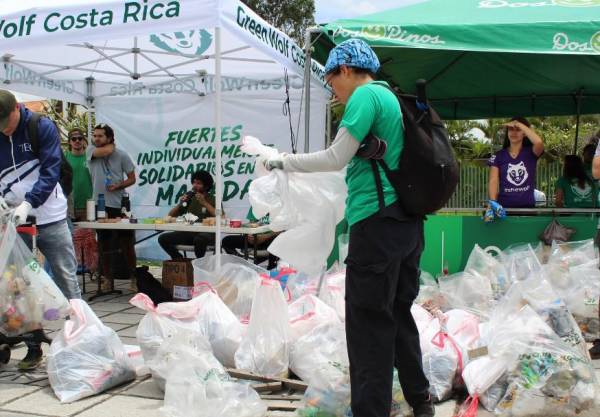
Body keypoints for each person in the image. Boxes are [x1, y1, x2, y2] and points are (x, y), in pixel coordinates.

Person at [263, 39, 434, 417]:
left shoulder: (363, 97)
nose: (334, 92)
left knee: (368, 322)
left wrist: (282, 162)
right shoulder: (392, 98)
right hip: (407, 222)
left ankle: (371, 412)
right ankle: (421, 400)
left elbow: (335, 156)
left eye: (331, 81)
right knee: (398, 312)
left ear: (343, 69)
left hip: (376, 223)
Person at [0, 89, 81, 370]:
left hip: (50, 216)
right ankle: (33, 346)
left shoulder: (39, 127)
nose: (4, 129)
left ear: (16, 109)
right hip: (14, 221)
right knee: (17, 286)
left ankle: (81, 338)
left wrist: (29, 203)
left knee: (65, 275)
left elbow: (51, 170)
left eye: (6, 122)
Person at [86, 123, 137, 290]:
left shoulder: (121, 155)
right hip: (100, 204)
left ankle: (134, 278)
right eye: (95, 135)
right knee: (104, 243)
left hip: (119, 205)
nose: (96, 138)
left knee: (126, 243)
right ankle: (108, 279)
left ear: (108, 137)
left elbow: (132, 178)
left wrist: (119, 186)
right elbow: (107, 151)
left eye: (100, 136)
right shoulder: (91, 151)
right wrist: (110, 144)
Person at [487, 117, 544, 212]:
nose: (514, 133)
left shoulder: (531, 153)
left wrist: (519, 124)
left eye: (518, 130)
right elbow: (493, 180)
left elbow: (539, 142)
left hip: (528, 210)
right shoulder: (498, 156)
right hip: (503, 210)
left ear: (525, 133)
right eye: (511, 129)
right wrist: (493, 203)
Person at [158, 170, 217, 259]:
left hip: (207, 234)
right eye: (194, 182)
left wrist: (204, 203)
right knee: (163, 238)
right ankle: (181, 260)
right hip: (189, 233)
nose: (195, 185)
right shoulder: (190, 198)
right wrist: (180, 204)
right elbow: (170, 215)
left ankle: (199, 265)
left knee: (200, 240)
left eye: (198, 183)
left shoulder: (213, 199)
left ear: (206, 186)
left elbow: (222, 216)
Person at [65, 128, 93, 221]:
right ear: (69, 142)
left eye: (80, 138)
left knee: (89, 235)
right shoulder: (64, 158)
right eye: (74, 139)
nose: (77, 141)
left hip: (88, 206)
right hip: (69, 207)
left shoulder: (90, 157)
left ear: (83, 140)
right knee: (72, 235)